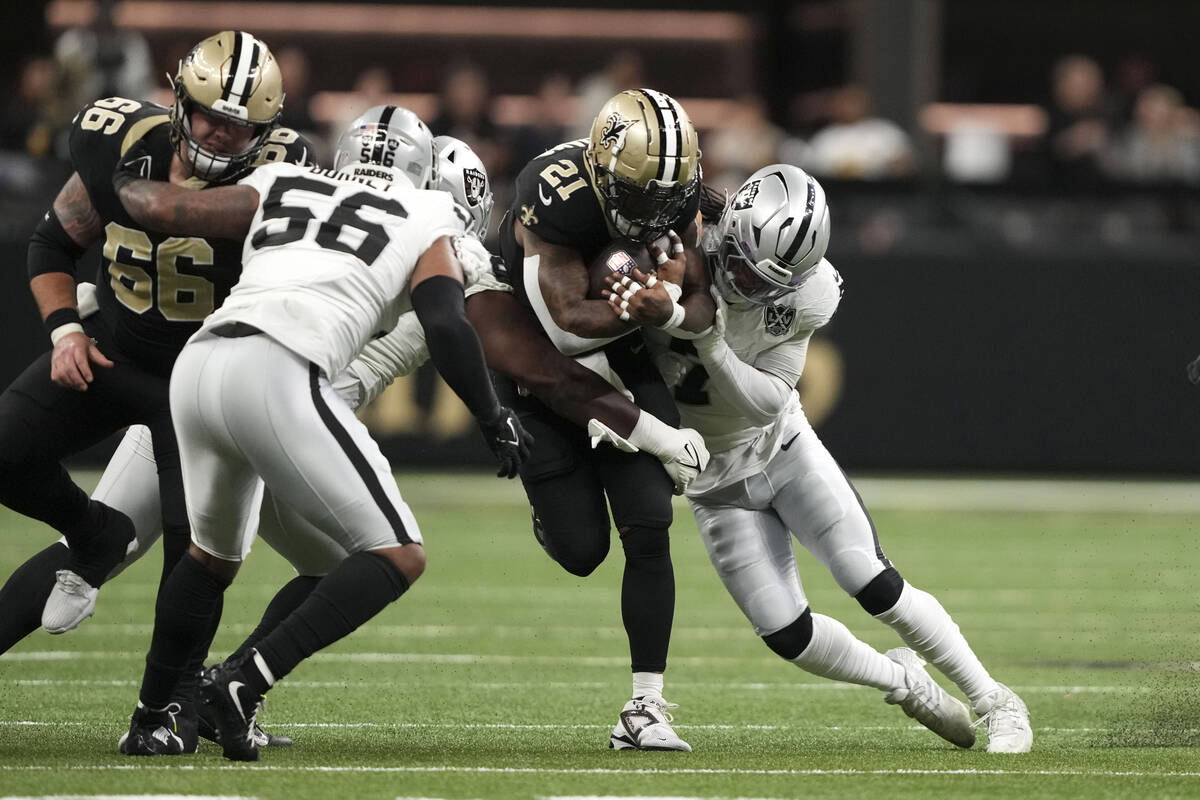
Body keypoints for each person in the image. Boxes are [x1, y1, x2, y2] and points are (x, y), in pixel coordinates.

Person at [110, 104, 533, 761]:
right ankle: (241, 685)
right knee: (397, 552)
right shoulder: (429, 214)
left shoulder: (286, 178)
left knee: (209, 559)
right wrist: (491, 415)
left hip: (199, 364)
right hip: (279, 372)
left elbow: (172, 213)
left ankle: (152, 719)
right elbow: (451, 325)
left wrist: (121, 181)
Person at [615, 164, 1034, 754]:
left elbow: (765, 402)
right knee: (786, 632)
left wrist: (704, 335)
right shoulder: (672, 249)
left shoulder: (809, 293)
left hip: (782, 448)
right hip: (714, 480)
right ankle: (903, 682)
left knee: (873, 581)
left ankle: (995, 699)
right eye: (735, 263)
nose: (742, 282)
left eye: (762, 280)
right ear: (726, 229)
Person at [0, 32, 315, 737]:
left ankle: (160, 711)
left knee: (193, 554)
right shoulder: (118, 140)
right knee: (6, 448)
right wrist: (64, 329)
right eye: (210, 115)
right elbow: (52, 244)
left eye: (241, 126)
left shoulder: (282, 174)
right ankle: (92, 533)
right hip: (114, 353)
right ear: (180, 99)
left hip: (204, 385)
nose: (221, 134)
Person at [496, 88, 714, 751]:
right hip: (545, 378)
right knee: (582, 551)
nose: (655, 212)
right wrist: (642, 304)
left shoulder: (682, 191)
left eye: (667, 197)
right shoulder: (556, 192)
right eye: (640, 194)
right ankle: (550, 515)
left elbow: (700, 295)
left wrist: (671, 302)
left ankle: (644, 707)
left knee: (650, 523)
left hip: (622, 358)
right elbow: (565, 325)